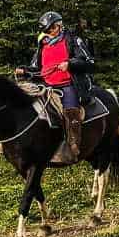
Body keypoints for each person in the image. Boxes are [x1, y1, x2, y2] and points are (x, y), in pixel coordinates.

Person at [15, 11, 95, 161]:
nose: (49, 33)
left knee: (71, 111)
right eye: (46, 30)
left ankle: (73, 145)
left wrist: (70, 64)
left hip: (68, 84)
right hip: (45, 85)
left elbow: (89, 61)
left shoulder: (73, 40)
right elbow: (36, 67)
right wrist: (24, 70)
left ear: (59, 25)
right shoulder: (43, 44)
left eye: (51, 29)